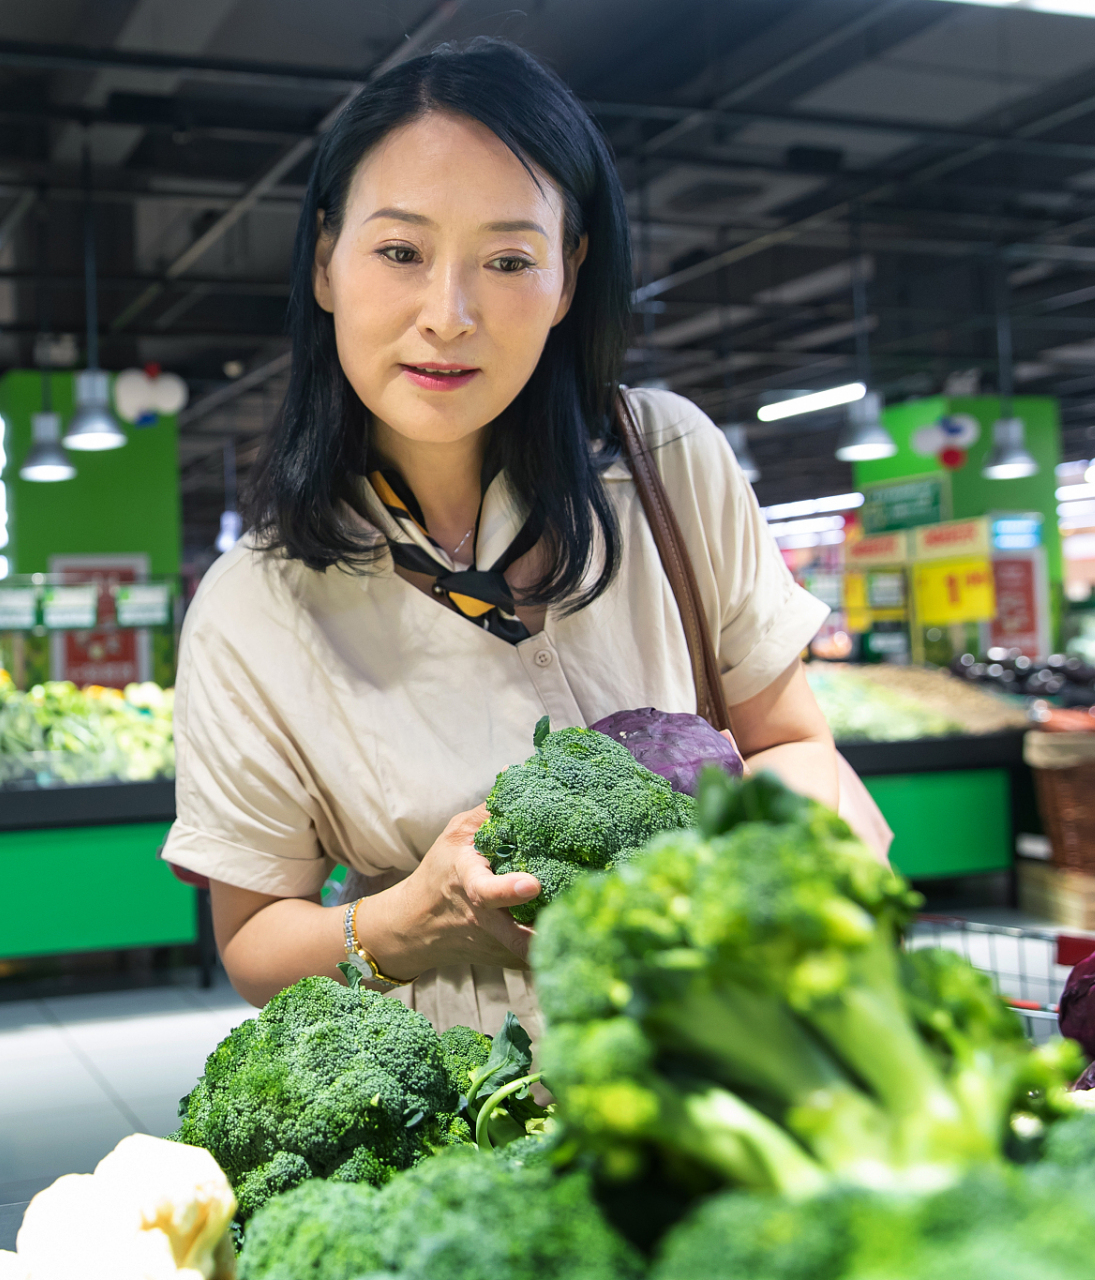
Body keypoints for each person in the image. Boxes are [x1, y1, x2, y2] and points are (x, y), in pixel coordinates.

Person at [163, 39, 844, 1040]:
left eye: (509, 260)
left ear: (569, 278)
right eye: (401, 252)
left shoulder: (669, 461)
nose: (449, 316)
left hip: (727, 1049)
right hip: (472, 1094)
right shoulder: (253, 605)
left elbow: (790, 741)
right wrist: (411, 919)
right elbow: (254, 940)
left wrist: (755, 879)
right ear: (325, 261)